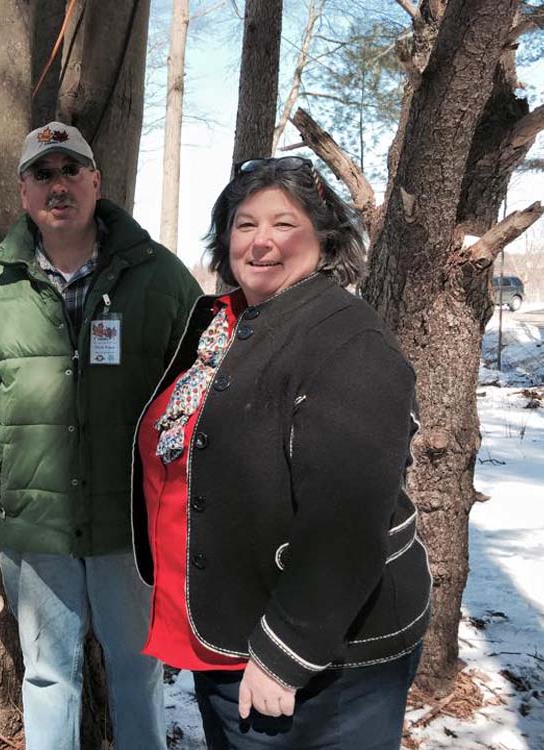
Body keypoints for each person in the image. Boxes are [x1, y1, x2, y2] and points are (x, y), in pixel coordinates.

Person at [131, 156, 433, 749]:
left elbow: (346, 523)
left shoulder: (346, 341)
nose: (261, 241)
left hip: (318, 659)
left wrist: (287, 653)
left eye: (284, 224)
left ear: (324, 236)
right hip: (228, 630)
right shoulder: (228, 324)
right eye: (245, 225)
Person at [0, 122, 202, 749]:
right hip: (36, 529)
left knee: (139, 672)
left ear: (95, 181)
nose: (58, 185)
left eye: (70, 170)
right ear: (23, 193)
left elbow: (201, 396)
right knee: (49, 677)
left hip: (128, 528)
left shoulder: (160, 279)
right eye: (42, 174)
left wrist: (187, 504)